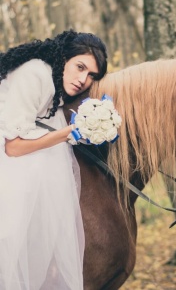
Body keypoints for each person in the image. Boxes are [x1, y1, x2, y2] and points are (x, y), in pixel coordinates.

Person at [0, 30, 107, 290]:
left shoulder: (57, 93)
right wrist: (67, 133)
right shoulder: (35, 73)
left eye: (91, 75)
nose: (83, 79)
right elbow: (12, 147)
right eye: (80, 67)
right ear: (63, 58)